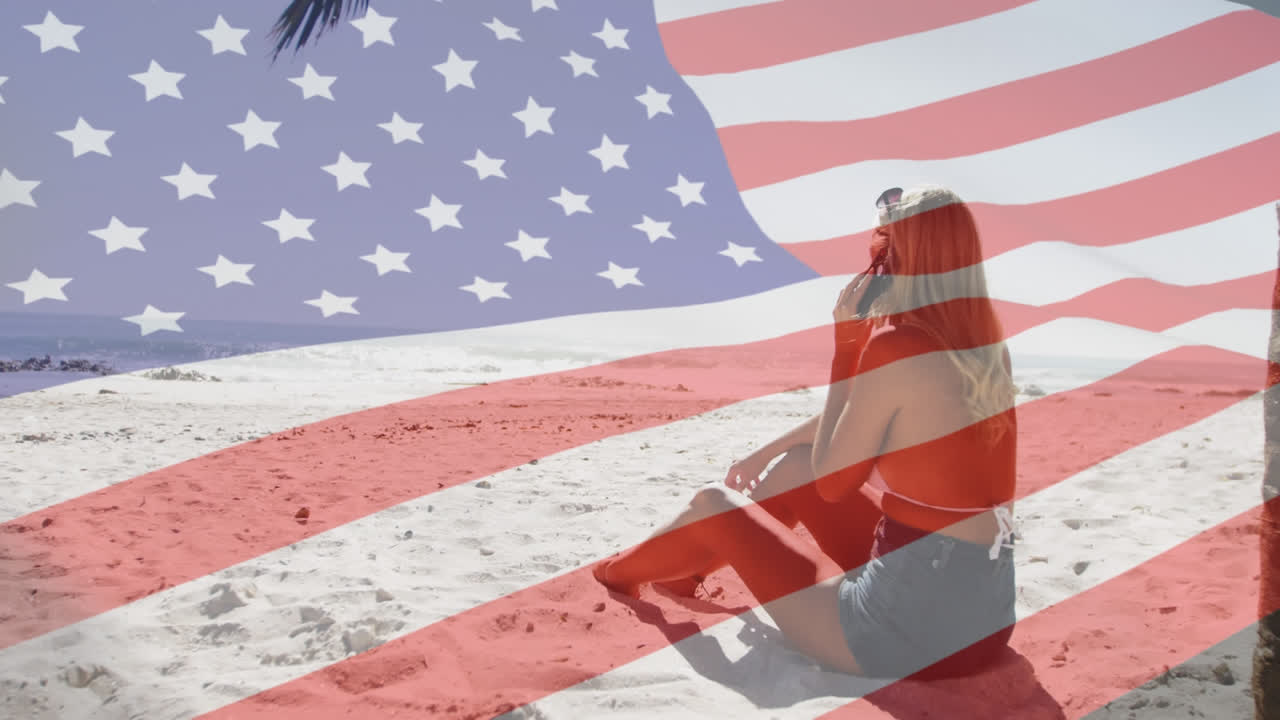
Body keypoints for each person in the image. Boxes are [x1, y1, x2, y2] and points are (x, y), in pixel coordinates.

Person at [592, 185, 1019, 679]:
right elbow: (867, 416)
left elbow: (834, 481)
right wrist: (766, 451)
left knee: (713, 503)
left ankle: (613, 573)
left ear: (902, 259)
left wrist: (846, 347)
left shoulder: (896, 346)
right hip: (984, 620)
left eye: (884, 250)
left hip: (906, 635)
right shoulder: (985, 350)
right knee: (793, 468)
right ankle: (688, 571)